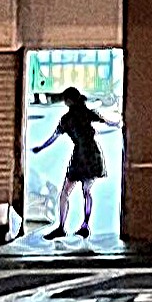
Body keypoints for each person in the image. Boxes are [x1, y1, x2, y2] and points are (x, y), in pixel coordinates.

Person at [32, 84, 107, 243]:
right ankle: (85, 225)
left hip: (80, 155)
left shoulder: (67, 119)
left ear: (68, 101)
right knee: (87, 191)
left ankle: (62, 227)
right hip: (93, 154)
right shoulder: (86, 113)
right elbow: (106, 121)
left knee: (66, 192)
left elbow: (54, 137)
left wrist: (40, 147)